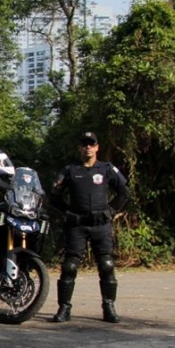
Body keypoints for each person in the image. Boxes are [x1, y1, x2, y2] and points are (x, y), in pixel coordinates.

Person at [50, 131, 130, 323]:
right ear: (80, 148)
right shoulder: (70, 170)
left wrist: (111, 210)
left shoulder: (106, 169)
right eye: (84, 144)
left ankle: (109, 307)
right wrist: (66, 213)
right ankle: (64, 308)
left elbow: (124, 192)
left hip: (100, 224)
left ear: (97, 147)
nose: (88, 147)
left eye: (91, 144)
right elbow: (55, 196)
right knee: (69, 266)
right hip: (77, 225)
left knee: (106, 265)